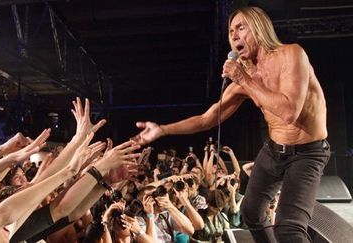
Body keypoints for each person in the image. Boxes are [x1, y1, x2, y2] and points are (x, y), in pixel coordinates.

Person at [133, 6, 330, 243]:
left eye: (241, 27)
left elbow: (289, 112)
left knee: (289, 229)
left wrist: (244, 79)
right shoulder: (243, 81)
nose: (234, 35)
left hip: (307, 153)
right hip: (274, 149)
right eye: (230, 31)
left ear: (259, 28)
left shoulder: (291, 55)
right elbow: (207, 119)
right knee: (251, 212)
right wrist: (163, 129)